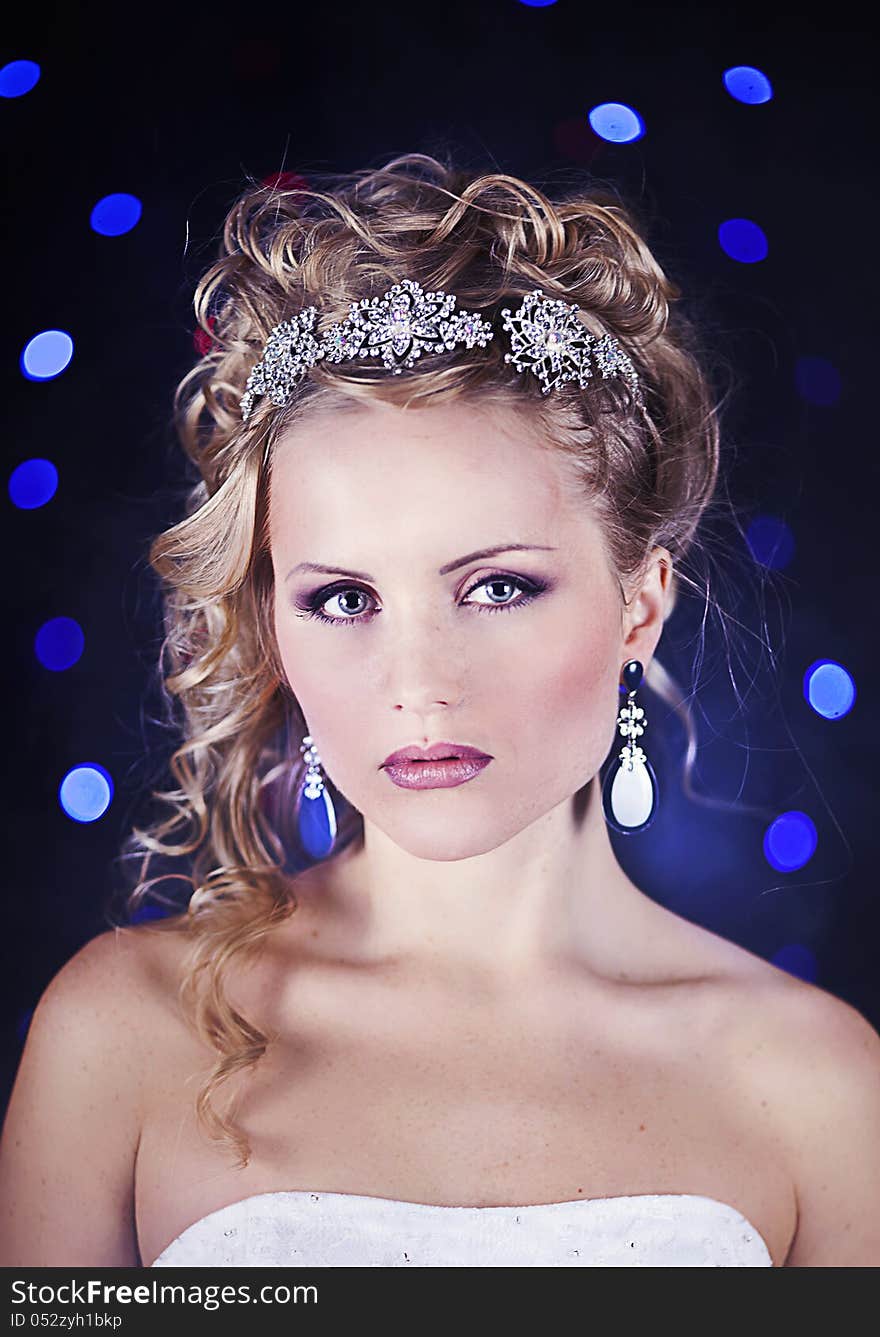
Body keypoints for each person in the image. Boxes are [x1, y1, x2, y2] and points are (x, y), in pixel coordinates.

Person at [1, 153, 878, 1269]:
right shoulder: (120, 1030)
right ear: (275, 622)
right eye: (343, 597)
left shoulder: (820, 1087)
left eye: (496, 586)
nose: (418, 680)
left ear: (638, 606)